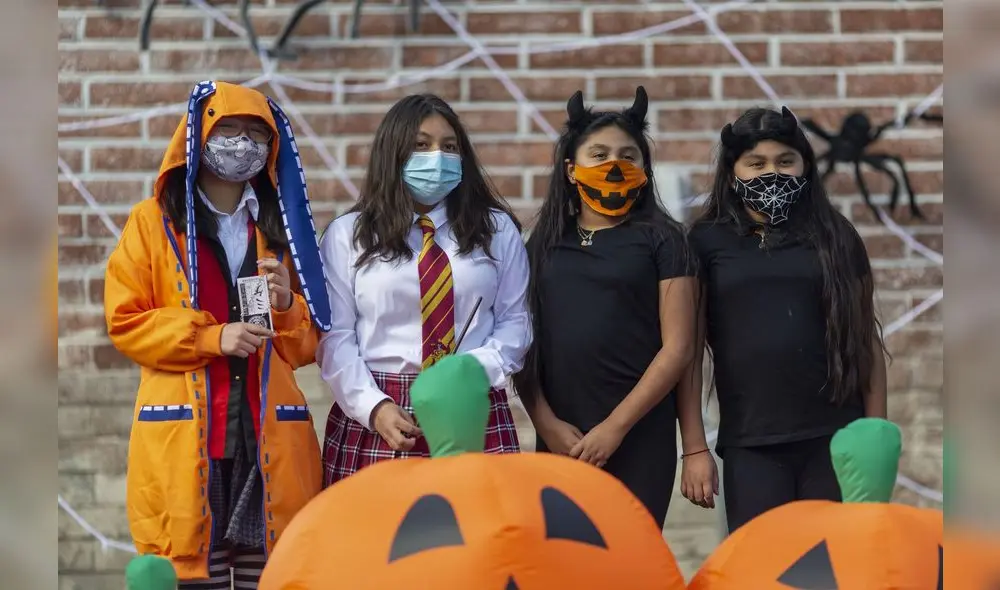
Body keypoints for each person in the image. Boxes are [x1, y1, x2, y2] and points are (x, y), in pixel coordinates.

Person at [104, 80, 331, 587]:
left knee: (271, 576)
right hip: (188, 444)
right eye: (228, 129)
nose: (243, 143)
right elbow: (125, 321)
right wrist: (212, 337)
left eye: (256, 133)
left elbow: (309, 345)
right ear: (196, 136)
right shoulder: (151, 224)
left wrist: (288, 304)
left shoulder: (281, 230)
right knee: (190, 574)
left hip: (266, 444)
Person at [512, 86, 712, 528]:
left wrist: (616, 428)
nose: (614, 166)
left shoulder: (665, 240)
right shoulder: (541, 246)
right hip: (562, 435)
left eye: (627, 155)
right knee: (564, 562)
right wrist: (545, 423)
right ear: (571, 169)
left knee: (630, 558)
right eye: (598, 154)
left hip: (638, 434)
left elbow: (678, 349)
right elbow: (521, 344)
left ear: (644, 168)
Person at [684, 106, 889, 533]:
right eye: (755, 164)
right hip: (752, 443)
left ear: (805, 167)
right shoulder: (706, 241)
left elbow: (865, 340)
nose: (770, 173)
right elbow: (687, 353)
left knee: (835, 568)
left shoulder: (836, 235)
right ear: (733, 170)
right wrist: (694, 449)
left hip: (837, 439)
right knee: (762, 570)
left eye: (784, 162)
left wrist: (874, 437)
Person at [318, 93, 530, 486]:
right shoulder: (347, 235)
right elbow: (335, 337)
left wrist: (464, 376)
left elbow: (516, 324)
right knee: (375, 542)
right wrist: (374, 406)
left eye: (450, 147)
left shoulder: (497, 231)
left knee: (475, 538)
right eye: (421, 145)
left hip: (470, 405)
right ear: (393, 152)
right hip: (379, 415)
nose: (438, 157)